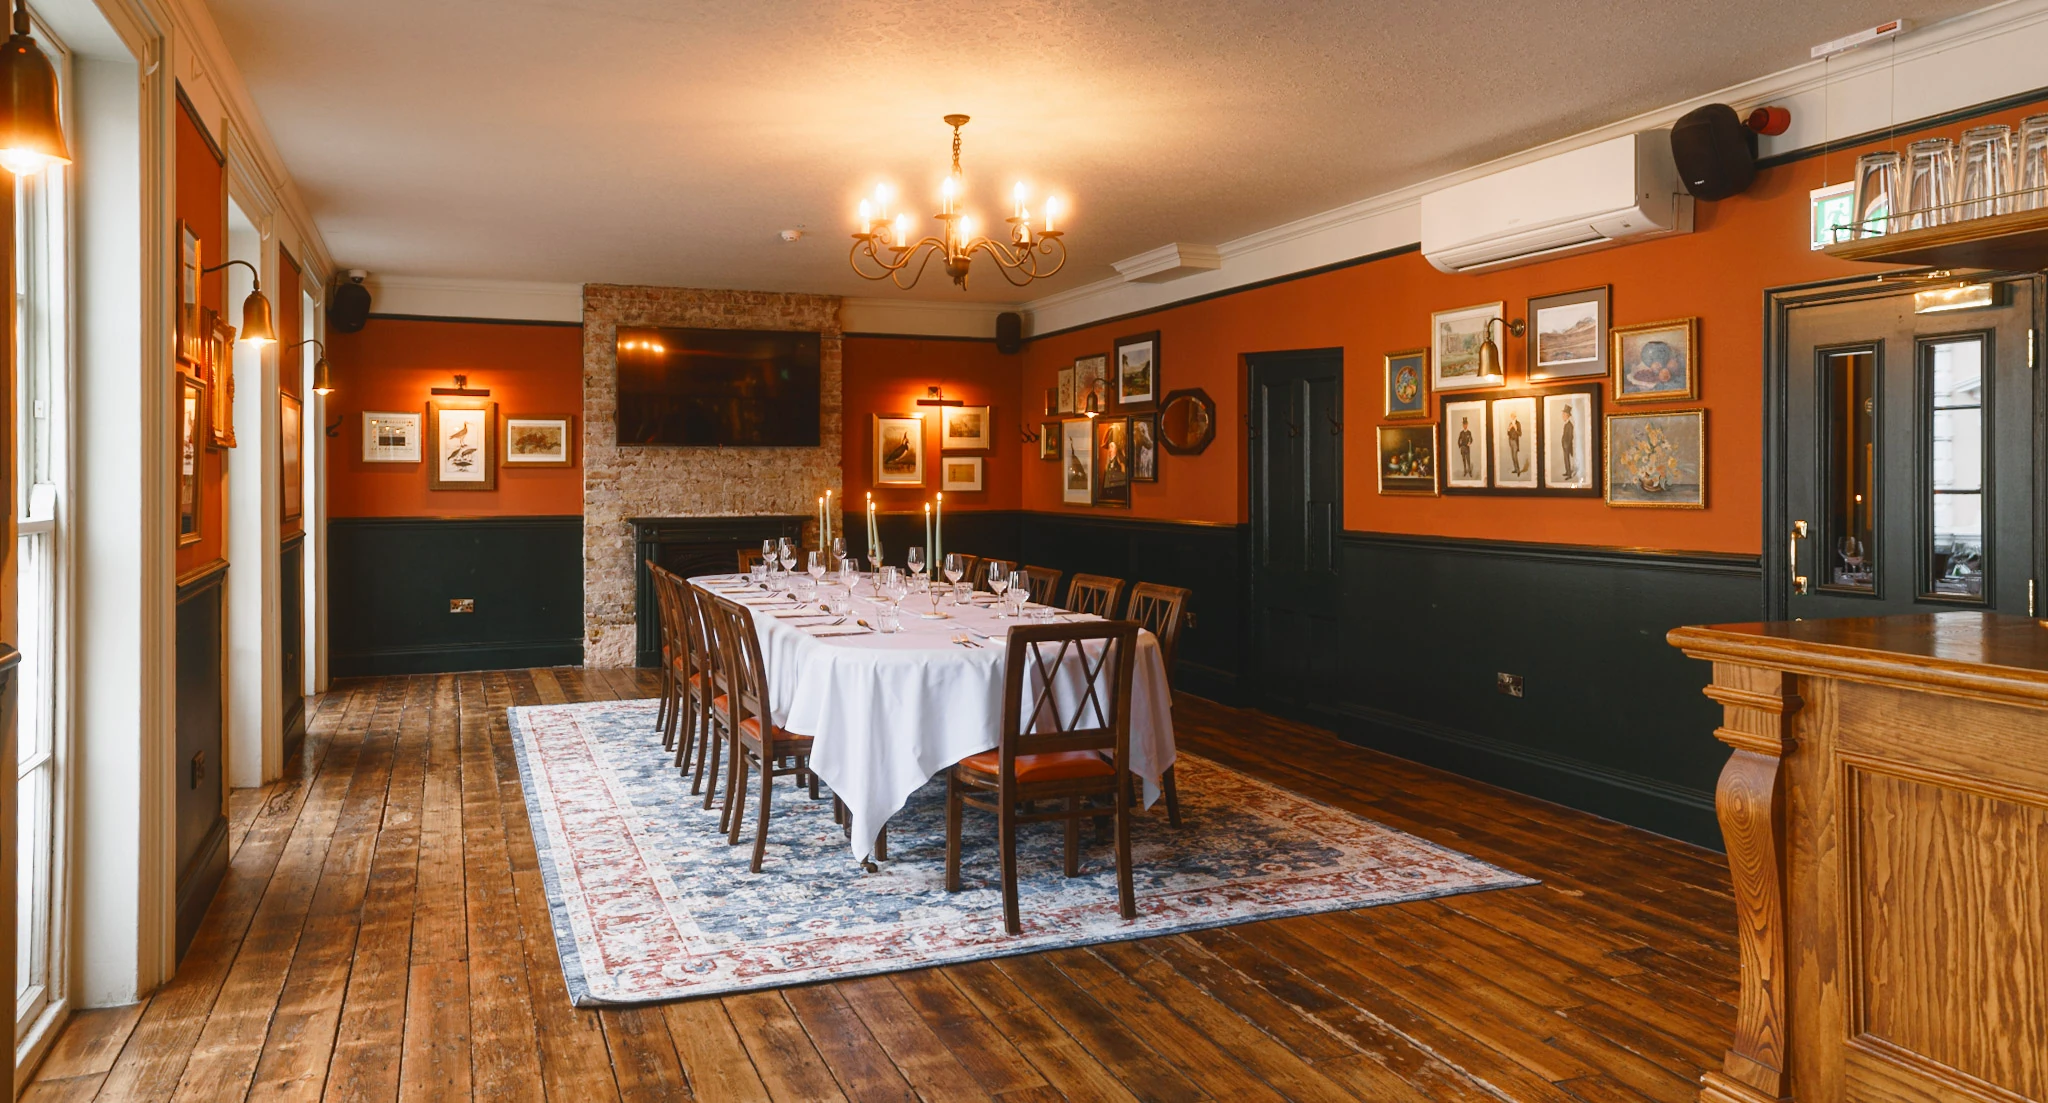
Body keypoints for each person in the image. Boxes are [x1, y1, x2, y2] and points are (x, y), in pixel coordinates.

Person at [1560, 405, 1577, 481]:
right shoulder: (1566, 424)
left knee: (1567, 459)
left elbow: (1570, 437)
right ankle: (1567, 471)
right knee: (1565, 459)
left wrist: (1566, 445)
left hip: (1567, 446)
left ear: (1567, 415)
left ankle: (1569, 474)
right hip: (1565, 445)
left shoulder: (1569, 425)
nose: (1562, 416)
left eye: (1564, 414)